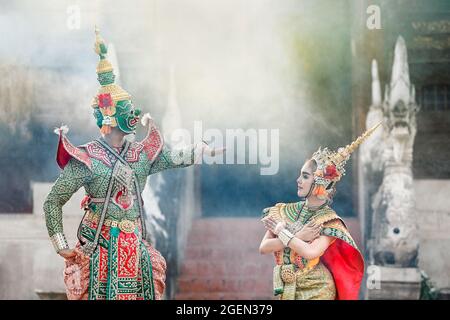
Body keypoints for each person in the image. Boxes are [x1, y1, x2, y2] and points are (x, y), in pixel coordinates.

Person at [43, 27, 222, 300]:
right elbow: (53, 201)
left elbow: (172, 157)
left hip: (135, 244)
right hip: (100, 244)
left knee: (152, 275)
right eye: (128, 110)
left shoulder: (139, 154)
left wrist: (201, 150)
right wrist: (60, 244)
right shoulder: (88, 158)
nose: (135, 114)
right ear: (110, 115)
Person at [259, 123, 381, 300]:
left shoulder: (329, 221)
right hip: (286, 288)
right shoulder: (284, 211)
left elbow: (310, 252)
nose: (298, 180)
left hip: (318, 289)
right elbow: (264, 247)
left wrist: (281, 233)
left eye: (305, 176)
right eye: (301, 175)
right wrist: (299, 236)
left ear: (321, 184)